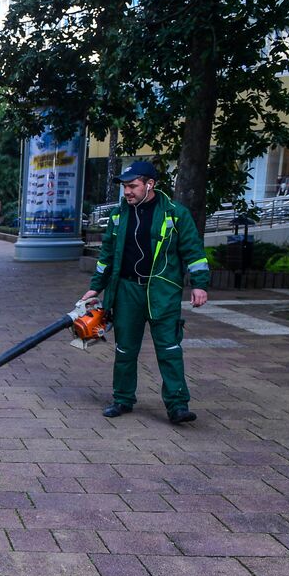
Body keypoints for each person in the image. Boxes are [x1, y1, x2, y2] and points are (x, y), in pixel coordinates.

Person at [83, 160, 208, 425]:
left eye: (132, 186)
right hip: (127, 290)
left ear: (150, 185)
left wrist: (199, 283)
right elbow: (106, 256)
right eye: (125, 187)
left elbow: (194, 252)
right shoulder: (119, 215)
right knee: (125, 350)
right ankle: (122, 400)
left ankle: (177, 406)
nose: (127, 192)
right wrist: (95, 287)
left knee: (170, 348)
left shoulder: (175, 214)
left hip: (162, 291)